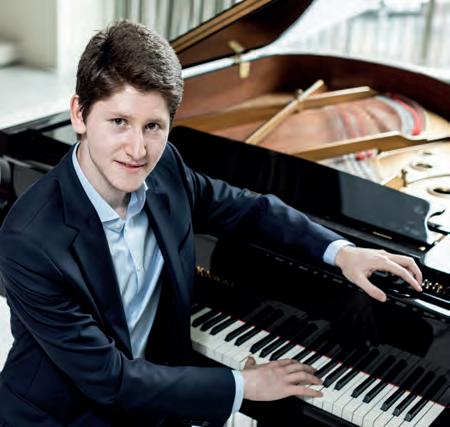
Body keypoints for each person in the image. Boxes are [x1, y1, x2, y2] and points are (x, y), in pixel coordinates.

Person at [0, 21, 422, 427]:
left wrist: (342, 252)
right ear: (79, 114)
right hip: (63, 416)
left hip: (151, 399)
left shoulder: (165, 168)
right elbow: (112, 381)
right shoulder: (29, 240)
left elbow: (249, 209)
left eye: (153, 126)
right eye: (119, 122)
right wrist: (243, 385)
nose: (137, 149)